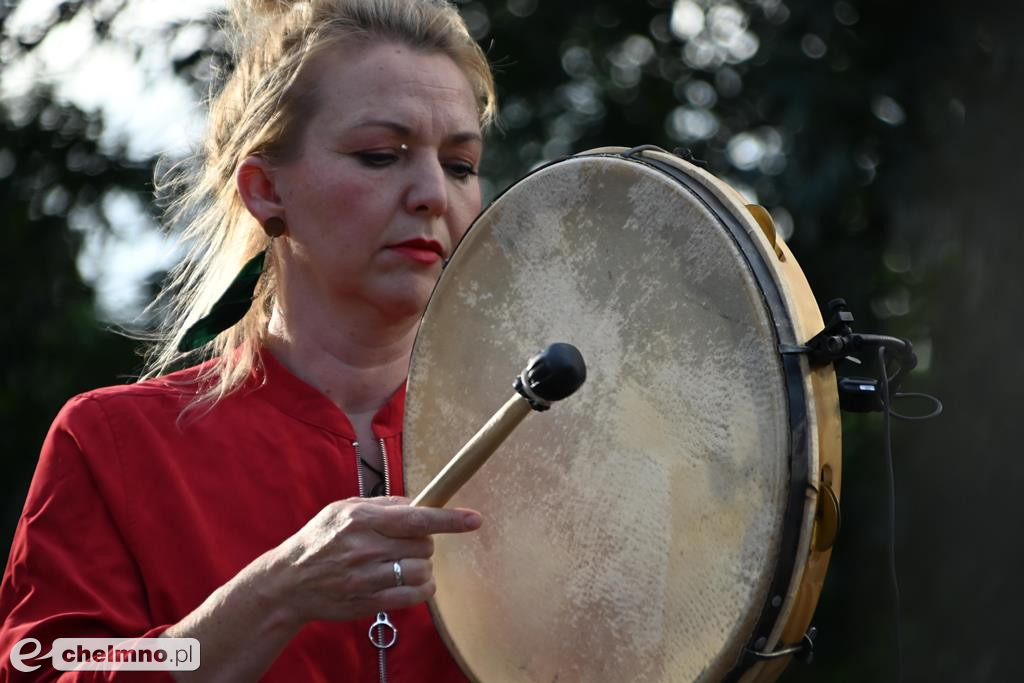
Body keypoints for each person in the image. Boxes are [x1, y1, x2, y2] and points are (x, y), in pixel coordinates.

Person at [0, 0, 497, 680]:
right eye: (381, 155)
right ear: (266, 191)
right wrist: (275, 590)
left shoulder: (537, 447)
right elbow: (47, 663)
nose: (434, 193)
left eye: (462, 164)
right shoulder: (113, 442)